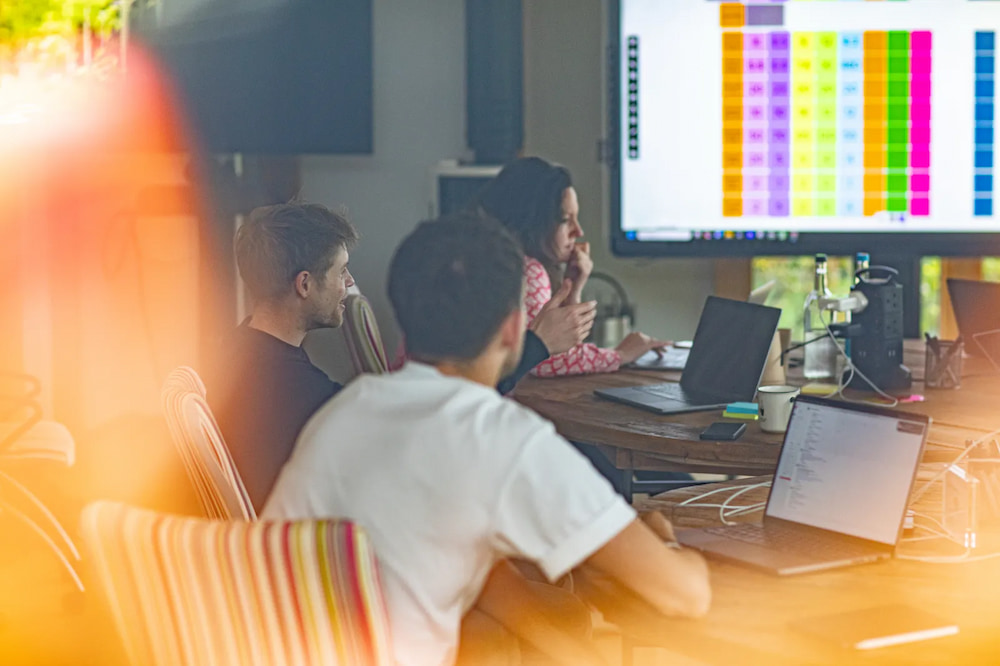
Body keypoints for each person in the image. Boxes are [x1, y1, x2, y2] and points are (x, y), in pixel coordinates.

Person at [264, 213, 710, 666]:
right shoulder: (503, 438)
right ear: (515, 329)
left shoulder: (343, 414)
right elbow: (685, 595)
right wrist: (665, 542)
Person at [208, 202, 358, 511]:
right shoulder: (304, 394)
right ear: (304, 284)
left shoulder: (231, 351)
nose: (349, 283)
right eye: (341, 271)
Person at [477, 157, 667, 377]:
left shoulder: (493, 262)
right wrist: (620, 355)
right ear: (532, 222)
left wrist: (573, 287)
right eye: (566, 219)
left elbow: (553, 346)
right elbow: (548, 361)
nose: (578, 231)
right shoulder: (530, 271)